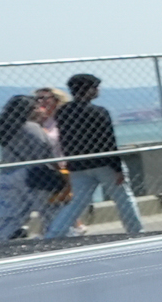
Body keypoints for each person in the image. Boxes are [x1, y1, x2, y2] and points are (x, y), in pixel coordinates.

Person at [42, 73, 141, 239]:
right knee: (123, 199)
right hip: (103, 163)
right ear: (88, 90)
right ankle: (136, 232)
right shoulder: (99, 112)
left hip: (78, 165)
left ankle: (54, 234)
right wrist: (117, 168)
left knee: (77, 203)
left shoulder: (63, 112)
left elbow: (65, 139)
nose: (97, 90)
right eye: (95, 87)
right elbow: (108, 141)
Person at [0, 91, 65, 241]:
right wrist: (59, 170)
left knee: (10, 214)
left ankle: (3, 239)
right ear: (29, 110)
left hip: (8, 175)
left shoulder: (7, 129)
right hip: (32, 175)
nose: (41, 110)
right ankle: (55, 239)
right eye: (36, 107)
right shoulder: (32, 127)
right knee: (50, 211)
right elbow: (44, 153)